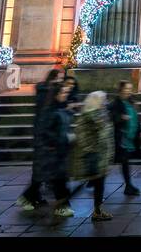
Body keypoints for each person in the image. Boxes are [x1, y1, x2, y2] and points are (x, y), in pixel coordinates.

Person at [19, 68, 63, 209]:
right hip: (43, 138)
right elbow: (45, 118)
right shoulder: (47, 95)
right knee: (42, 172)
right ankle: (28, 198)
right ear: (53, 78)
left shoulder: (50, 94)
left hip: (45, 138)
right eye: (59, 78)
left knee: (41, 172)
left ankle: (33, 197)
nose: (61, 80)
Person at [70, 90, 115, 221]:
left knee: (98, 184)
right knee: (97, 184)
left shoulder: (98, 114)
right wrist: (91, 149)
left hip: (100, 156)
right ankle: (97, 211)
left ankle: (98, 210)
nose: (105, 103)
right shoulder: (91, 115)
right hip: (95, 156)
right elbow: (83, 135)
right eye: (102, 100)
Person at [39, 81, 76, 218]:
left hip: (62, 151)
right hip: (54, 151)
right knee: (60, 181)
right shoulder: (51, 110)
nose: (65, 95)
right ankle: (61, 207)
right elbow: (46, 131)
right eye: (63, 93)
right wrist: (63, 139)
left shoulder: (62, 108)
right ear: (56, 94)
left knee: (63, 181)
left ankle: (63, 206)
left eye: (67, 93)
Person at [107, 80, 141, 196]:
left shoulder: (130, 102)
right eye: (126, 89)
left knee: (123, 162)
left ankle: (128, 185)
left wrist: (139, 129)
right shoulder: (115, 103)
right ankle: (128, 186)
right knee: (124, 162)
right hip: (122, 138)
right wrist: (121, 118)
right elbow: (111, 116)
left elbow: (135, 117)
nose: (129, 91)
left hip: (130, 137)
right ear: (120, 90)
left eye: (130, 89)